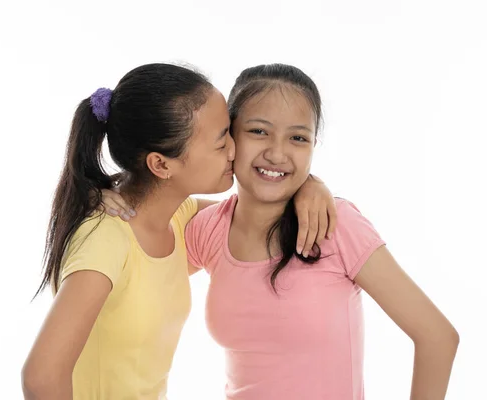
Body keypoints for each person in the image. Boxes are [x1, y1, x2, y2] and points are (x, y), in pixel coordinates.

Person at [104, 63, 459, 399]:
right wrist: (101, 196)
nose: (277, 153)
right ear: (229, 139)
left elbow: (437, 337)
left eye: (298, 138)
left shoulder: (335, 226)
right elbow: (140, 254)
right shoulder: (207, 230)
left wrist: (312, 186)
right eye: (259, 131)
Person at [22, 63, 336, 400]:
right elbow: (41, 376)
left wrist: (310, 185)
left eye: (230, 132)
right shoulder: (106, 241)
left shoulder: (180, 219)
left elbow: (256, 214)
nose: (235, 149)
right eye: (220, 143)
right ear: (161, 165)